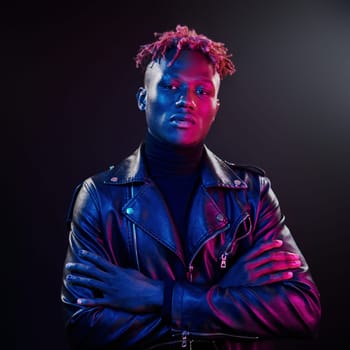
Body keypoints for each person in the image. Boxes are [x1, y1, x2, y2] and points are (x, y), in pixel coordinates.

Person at [61, 25, 321, 350]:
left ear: (215, 107)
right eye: (171, 86)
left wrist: (159, 296)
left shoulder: (251, 193)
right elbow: (84, 327)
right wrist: (227, 290)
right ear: (143, 98)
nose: (186, 101)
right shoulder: (99, 197)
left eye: (202, 91)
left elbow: (301, 311)